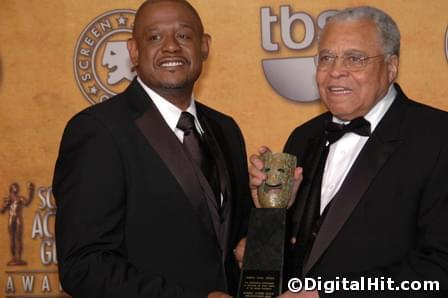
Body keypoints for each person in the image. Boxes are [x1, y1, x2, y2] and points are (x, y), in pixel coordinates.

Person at [53, 1, 251, 297]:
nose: (171, 47)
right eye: (154, 37)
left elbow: (229, 242)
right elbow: (84, 266)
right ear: (133, 51)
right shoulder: (98, 131)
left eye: (184, 36)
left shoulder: (226, 129)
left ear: (205, 46)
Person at [248, 6, 448, 297]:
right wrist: (273, 213)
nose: (336, 71)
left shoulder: (438, 136)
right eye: (326, 58)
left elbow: (439, 268)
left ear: (391, 66)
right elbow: (287, 260)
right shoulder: (303, 137)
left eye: (355, 59)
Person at [1, 182, 35, 266]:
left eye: (16, 186)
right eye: (14, 186)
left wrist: (31, 192)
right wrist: (4, 204)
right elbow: (2, 211)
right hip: (11, 219)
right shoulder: (8, 199)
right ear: (11, 189)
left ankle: (19, 258)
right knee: (12, 239)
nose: (16, 187)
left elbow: (27, 203)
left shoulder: (20, 198)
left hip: (18, 219)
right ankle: (13, 258)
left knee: (18, 239)